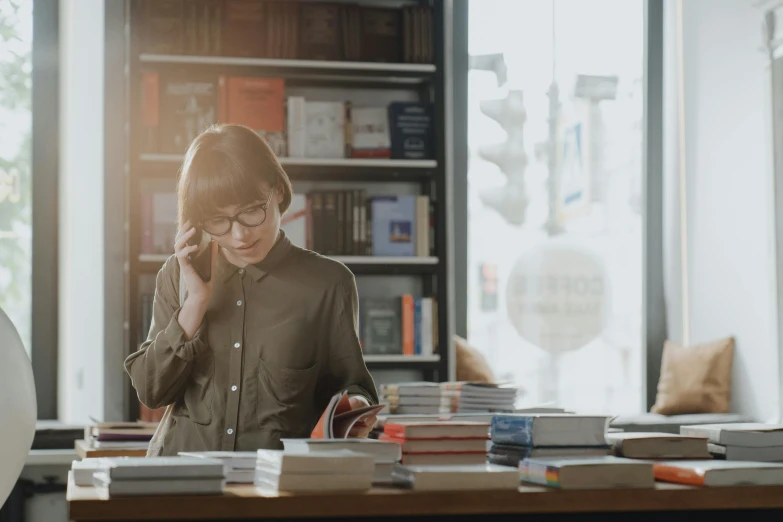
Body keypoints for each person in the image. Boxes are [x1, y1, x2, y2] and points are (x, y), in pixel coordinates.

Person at [124, 124, 379, 456]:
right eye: (219, 221)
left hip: (278, 490)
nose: (240, 236)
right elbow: (150, 391)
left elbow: (353, 385)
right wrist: (196, 303)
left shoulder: (329, 283)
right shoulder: (177, 275)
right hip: (187, 486)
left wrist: (356, 407)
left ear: (278, 191)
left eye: (252, 211)